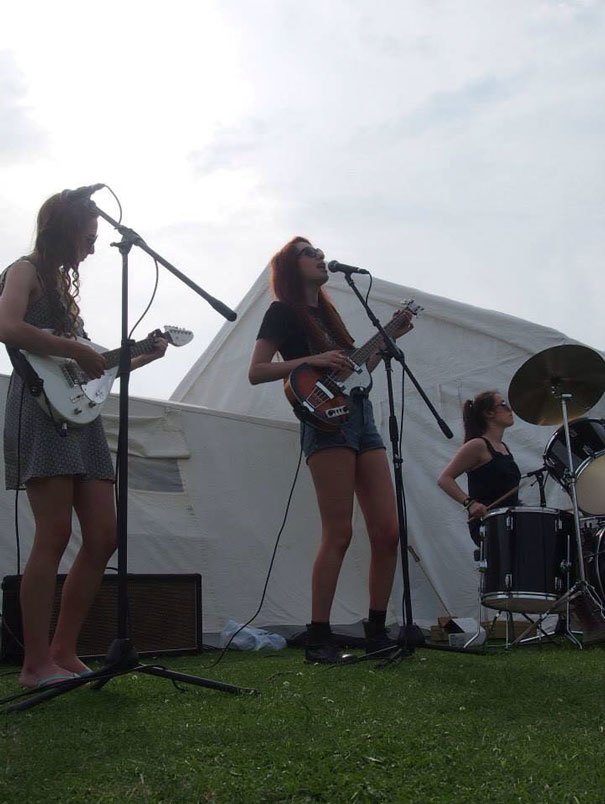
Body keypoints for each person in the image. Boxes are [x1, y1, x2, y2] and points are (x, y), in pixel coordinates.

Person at [0, 190, 168, 689]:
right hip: (38, 410)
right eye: (89, 238)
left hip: (81, 420)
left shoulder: (65, 294)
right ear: (65, 229)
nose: (94, 248)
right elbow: (6, 326)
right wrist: (73, 348)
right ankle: (34, 665)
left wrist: (143, 357)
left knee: (102, 535)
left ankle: (64, 650)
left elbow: (89, 372)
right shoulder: (24, 270)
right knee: (53, 534)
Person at [248, 237, 413, 663]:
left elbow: (356, 371)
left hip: (362, 417)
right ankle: (319, 634)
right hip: (325, 422)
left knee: (388, 531)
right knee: (339, 531)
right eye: (309, 253)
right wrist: (311, 361)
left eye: (320, 252)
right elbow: (257, 371)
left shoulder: (330, 315)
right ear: (290, 266)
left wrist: (389, 336)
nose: (320, 256)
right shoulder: (282, 311)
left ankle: (377, 629)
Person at [437, 390, 521, 547]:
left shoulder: (503, 448)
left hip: (509, 521)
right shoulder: (478, 445)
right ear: (489, 413)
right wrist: (470, 504)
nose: (510, 409)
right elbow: (444, 479)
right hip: (489, 523)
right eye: (503, 404)